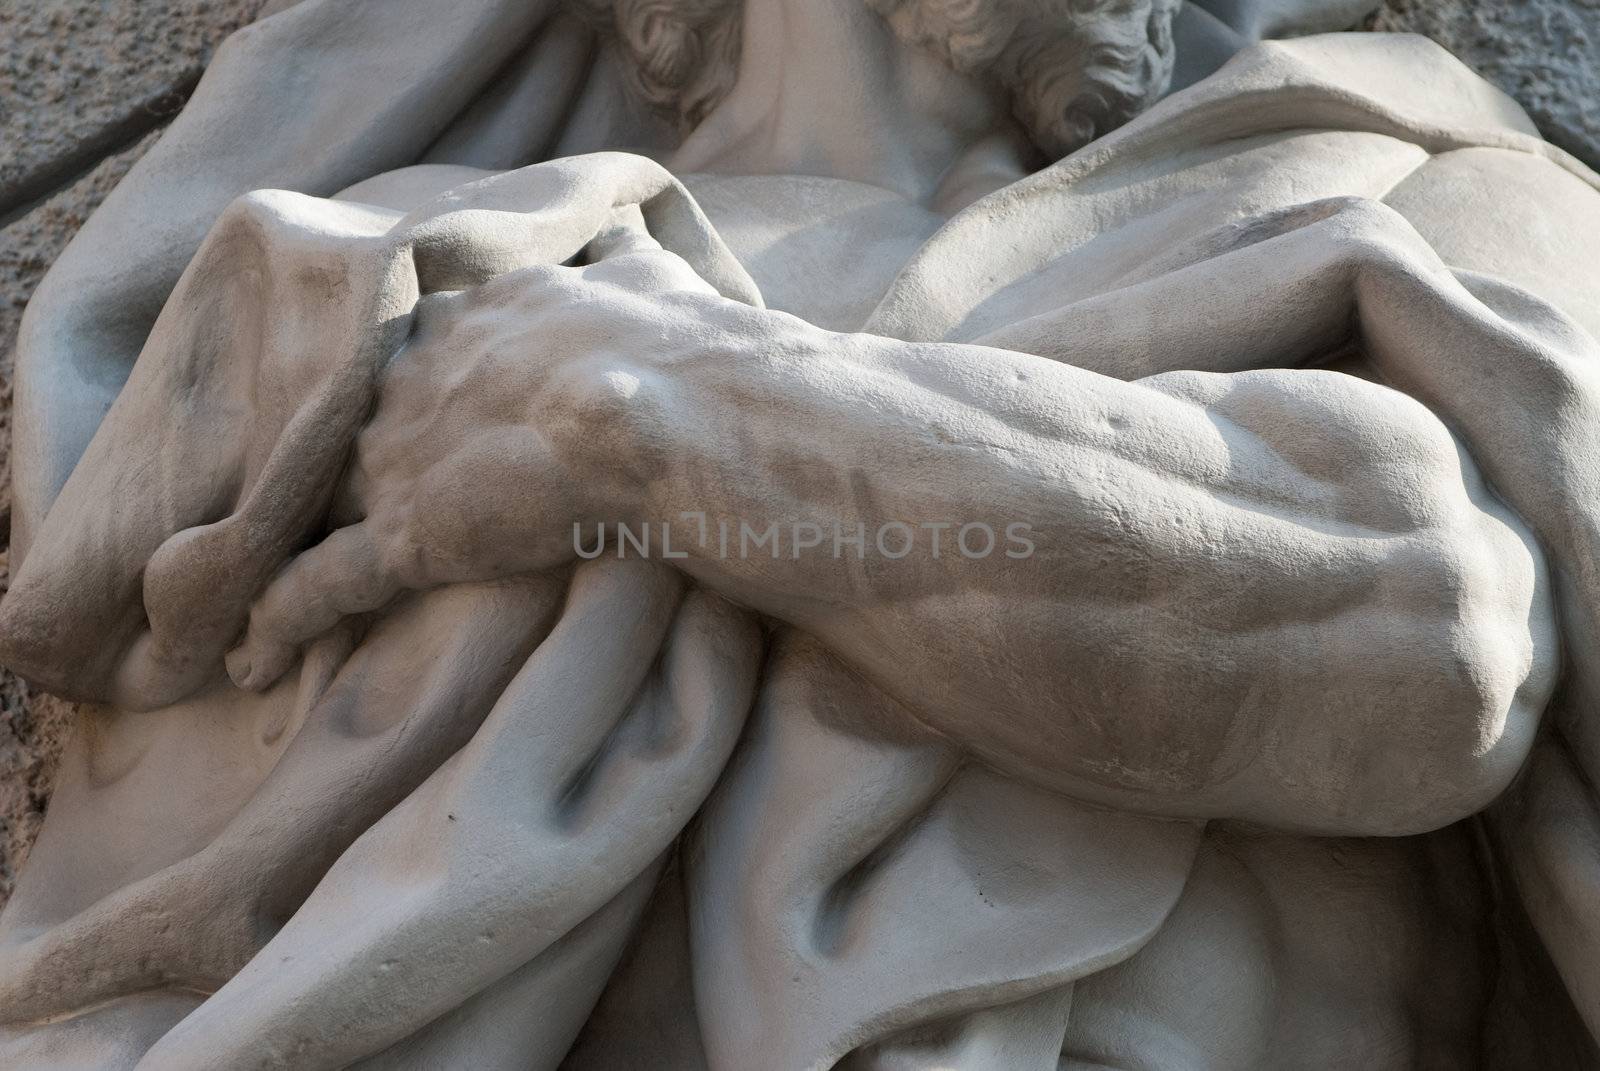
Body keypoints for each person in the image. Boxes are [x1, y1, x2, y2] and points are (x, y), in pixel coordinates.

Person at [2, 0, 1598, 1066]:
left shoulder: (1383, 199)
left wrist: (648, 421)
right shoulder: (379, 300)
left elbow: (1430, 634)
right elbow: (155, 960)